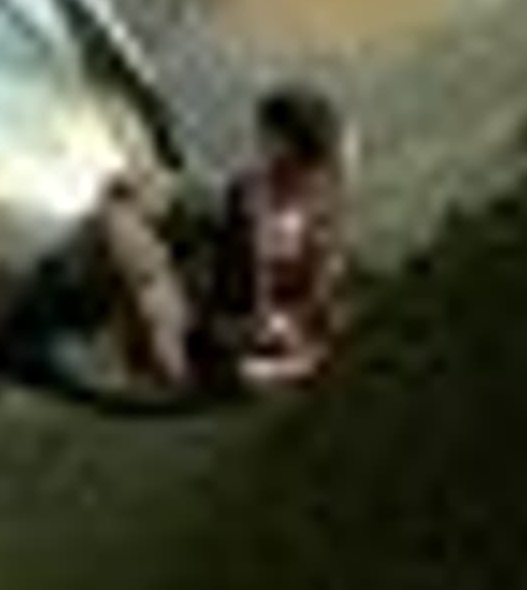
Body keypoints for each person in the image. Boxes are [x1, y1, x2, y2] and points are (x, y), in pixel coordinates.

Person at [92, 83, 350, 393]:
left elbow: (315, 303)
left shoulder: (312, 217)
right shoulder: (252, 198)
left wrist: (282, 330)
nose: (262, 149)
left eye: (268, 140)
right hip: (224, 332)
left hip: (254, 343)